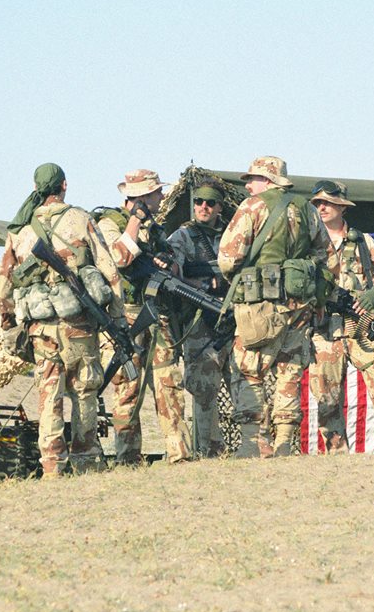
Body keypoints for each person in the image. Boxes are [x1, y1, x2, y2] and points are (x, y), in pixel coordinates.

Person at [0, 163, 124, 477]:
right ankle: (86, 458)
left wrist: (9, 325)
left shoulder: (20, 229)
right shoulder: (81, 219)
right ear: (64, 185)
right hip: (80, 325)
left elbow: (5, 286)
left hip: (41, 329)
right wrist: (117, 318)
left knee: (49, 394)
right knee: (84, 390)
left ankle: (52, 464)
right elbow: (109, 270)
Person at [217, 156, 338, 458]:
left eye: (253, 178)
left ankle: (252, 443)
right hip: (299, 305)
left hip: (260, 306)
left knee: (248, 371)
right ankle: (284, 442)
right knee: (290, 371)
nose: (247, 184)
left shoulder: (252, 207)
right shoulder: (307, 209)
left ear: (267, 180)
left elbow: (228, 258)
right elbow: (327, 257)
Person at [308, 180, 374, 454]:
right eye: (318, 203)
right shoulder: (308, 245)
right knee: (326, 396)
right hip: (325, 330)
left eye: (328, 203)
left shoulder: (363, 242)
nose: (322, 208)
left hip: (362, 327)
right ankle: (337, 455)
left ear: (342, 206)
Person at [94, 169, 192, 464]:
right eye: (156, 193)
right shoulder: (109, 223)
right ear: (141, 198)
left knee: (169, 383)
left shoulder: (156, 229)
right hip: (125, 314)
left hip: (157, 312)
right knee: (127, 386)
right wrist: (135, 220)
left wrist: (168, 264)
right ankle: (127, 456)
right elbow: (120, 258)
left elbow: (175, 265)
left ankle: (180, 452)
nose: (162, 197)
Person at [167, 180, 230, 457]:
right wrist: (203, 286)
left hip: (233, 318)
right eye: (199, 202)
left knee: (244, 384)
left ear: (219, 207)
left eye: (210, 203)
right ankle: (209, 449)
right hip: (199, 320)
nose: (203, 207)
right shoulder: (183, 236)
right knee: (204, 389)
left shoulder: (232, 235)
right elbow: (172, 270)